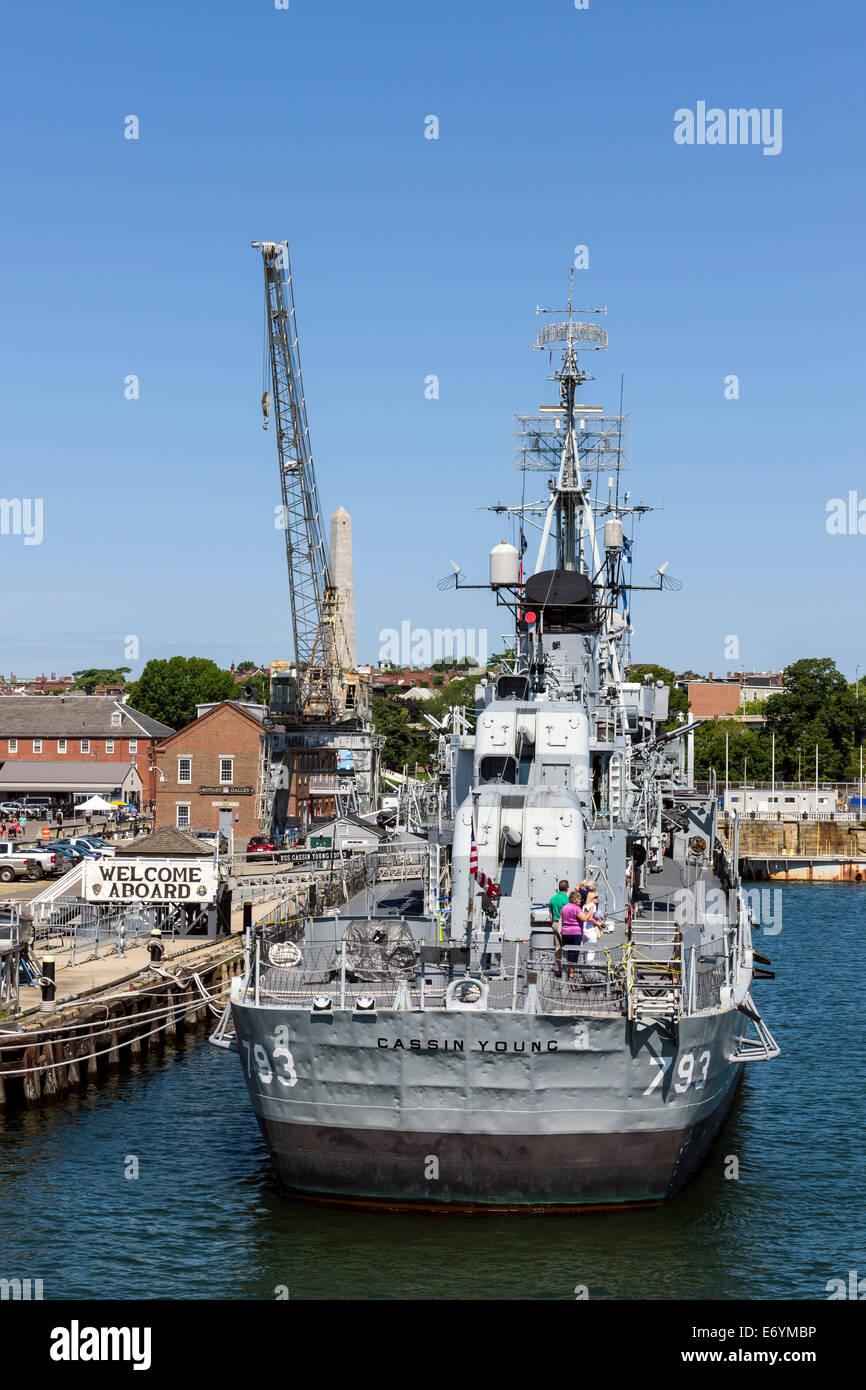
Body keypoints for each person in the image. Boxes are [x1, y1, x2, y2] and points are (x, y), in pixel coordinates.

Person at [548, 878, 570, 977]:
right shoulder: (566, 899)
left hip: (554, 924)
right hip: (563, 924)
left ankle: (560, 970)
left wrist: (553, 923)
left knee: (557, 947)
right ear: (567, 888)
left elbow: (550, 914)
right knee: (566, 947)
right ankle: (567, 971)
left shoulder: (552, 899)